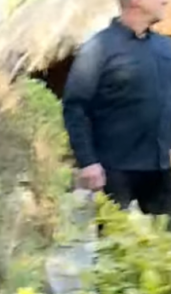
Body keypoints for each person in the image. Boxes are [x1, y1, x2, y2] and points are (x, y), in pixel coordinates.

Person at [62, 0, 171, 214]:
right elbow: (75, 107)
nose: (165, 1)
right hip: (114, 174)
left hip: (163, 171)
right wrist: (88, 162)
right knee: (117, 235)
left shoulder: (165, 48)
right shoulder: (98, 48)